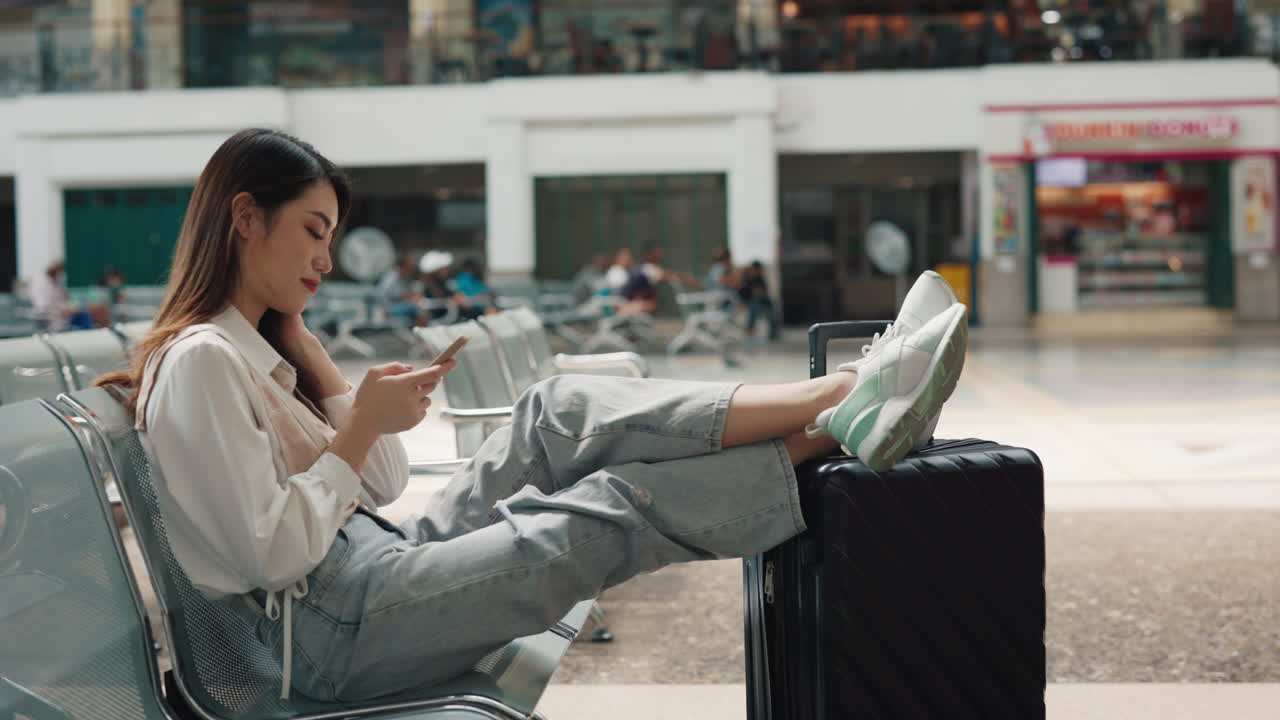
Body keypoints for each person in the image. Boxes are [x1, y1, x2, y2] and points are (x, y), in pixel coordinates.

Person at [96, 129, 969, 703]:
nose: (326, 258)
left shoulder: (253, 351)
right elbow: (274, 553)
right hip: (324, 636)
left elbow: (381, 485)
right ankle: (845, 409)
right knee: (607, 508)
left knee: (553, 409)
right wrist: (358, 424)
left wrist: (309, 352)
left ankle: (836, 396)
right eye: (314, 231)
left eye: (330, 237)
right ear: (246, 218)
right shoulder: (202, 363)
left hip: (366, 571)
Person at [28, 259, 93, 331]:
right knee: (83, 316)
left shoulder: (55, 281)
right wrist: (65, 310)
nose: (59, 273)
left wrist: (69, 307)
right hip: (52, 318)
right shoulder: (40, 283)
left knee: (85, 313)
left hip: (62, 314)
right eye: (58, 270)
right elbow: (44, 306)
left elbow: (63, 299)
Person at [375, 252, 428, 327]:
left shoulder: (405, 277)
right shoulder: (391, 278)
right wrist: (411, 297)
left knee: (421, 307)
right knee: (414, 308)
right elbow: (395, 296)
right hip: (387, 308)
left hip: (399, 306)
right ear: (402, 267)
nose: (411, 270)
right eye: (409, 267)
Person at [739, 260, 779, 341]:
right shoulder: (746, 279)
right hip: (750, 302)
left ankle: (773, 333)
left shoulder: (760, 279)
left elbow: (765, 293)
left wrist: (760, 293)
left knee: (771, 310)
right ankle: (750, 331)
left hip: (761, 303)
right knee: (754, 307)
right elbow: (742, 293)